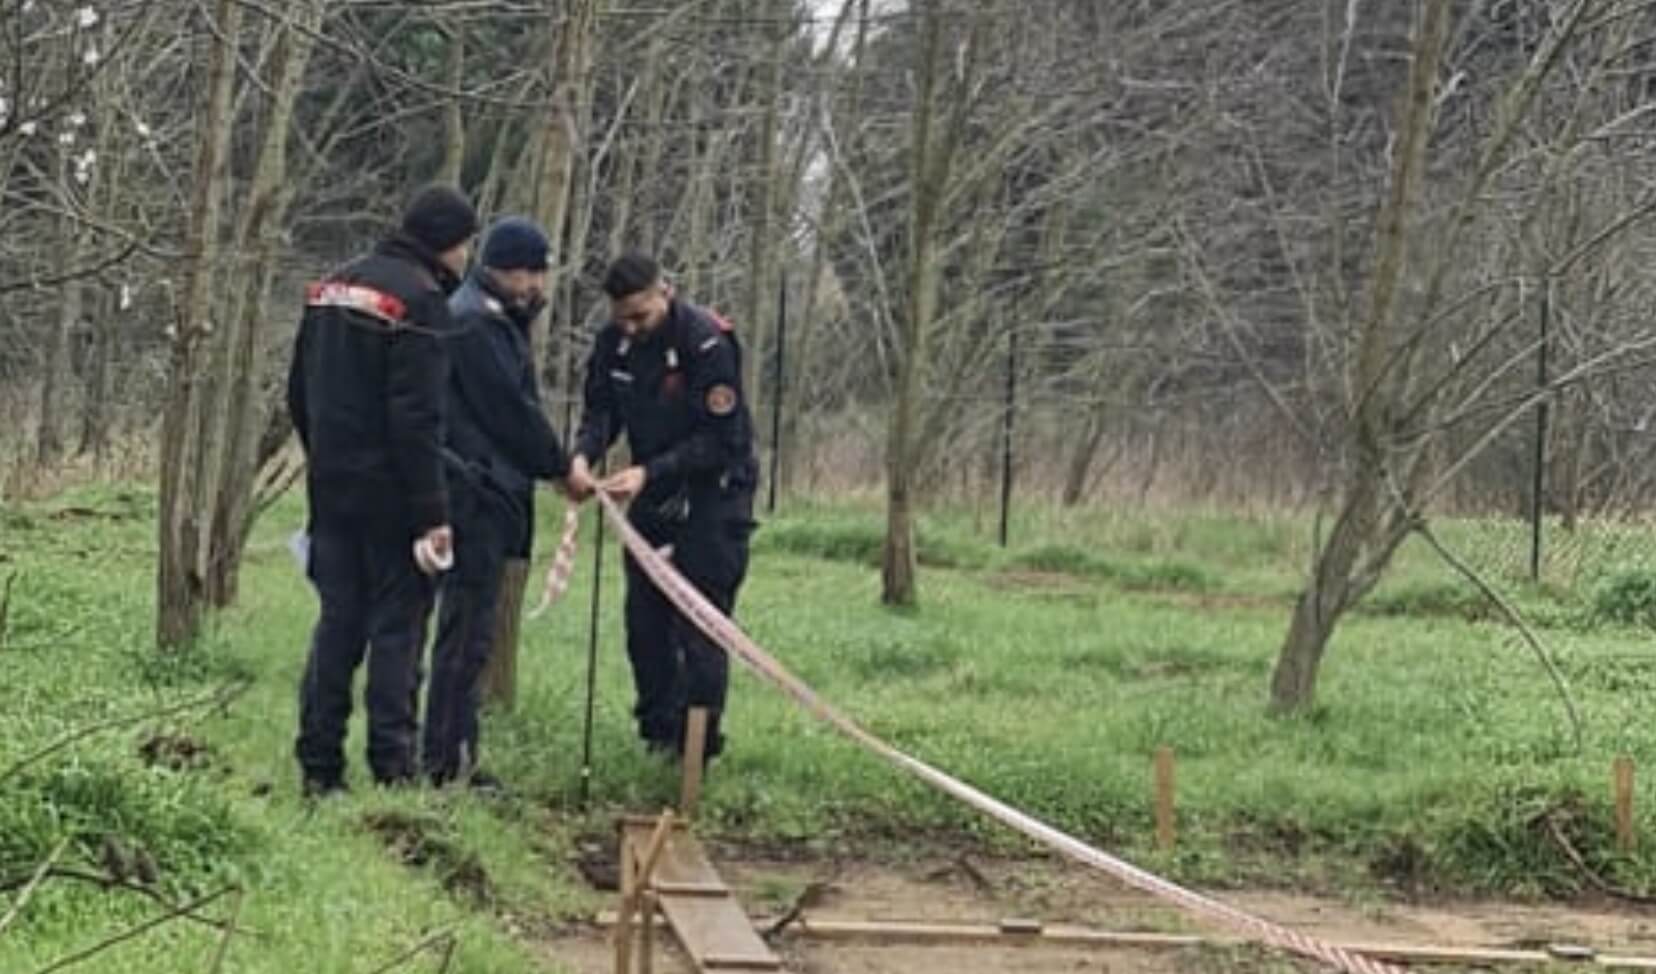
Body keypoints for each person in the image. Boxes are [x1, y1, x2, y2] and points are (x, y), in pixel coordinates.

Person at [286, 183, 479, 796]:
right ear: (448, 243)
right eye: (466, 246)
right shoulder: (422, 302)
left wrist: (326, 458)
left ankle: (320, 767)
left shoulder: (330, 287)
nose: (466, 260)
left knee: (337, 623)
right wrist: (433, 513)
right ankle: (393, 767)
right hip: (393, 497)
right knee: (398, 630)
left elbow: (298, 390)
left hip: (330, 487)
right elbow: (418, 419)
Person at [567, 253, 758, 764]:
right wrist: (584, 456)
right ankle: (658, 734)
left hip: (713, 493)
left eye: (641, 316)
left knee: (699, 623)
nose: (632, 326)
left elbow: (721, 438)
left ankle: (697, 749)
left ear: (664, 292)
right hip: (651, 493)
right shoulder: (615, 343)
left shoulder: (707, 342)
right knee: (644, 622)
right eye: (622, 317)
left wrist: (651, 471)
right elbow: (601, 410)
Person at [423, 217, 570, 789]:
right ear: (511, 270)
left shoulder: (493, 321)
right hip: (475, 498)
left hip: (487, 494)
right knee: (464, 635)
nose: (536, 288)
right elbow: (512, 412)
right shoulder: (476, 325)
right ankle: (444, 761)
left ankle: (458, 752)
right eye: (531, 274)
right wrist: (558, 466)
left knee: (474, 635)